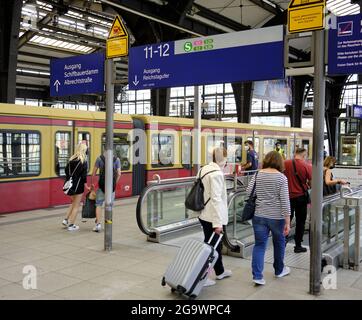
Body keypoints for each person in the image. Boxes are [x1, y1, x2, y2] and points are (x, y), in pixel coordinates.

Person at [247, 151, 291, 285]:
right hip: (277, 218)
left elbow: (249, 192)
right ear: (279, 162)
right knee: (279, 244)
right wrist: (288, 221)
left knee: (260, 245)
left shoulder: (258, 174)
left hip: (259, 215)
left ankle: (257, 276)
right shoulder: (281, 178)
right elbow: (285, 200)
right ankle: (279, 270)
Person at [199, 147, 232, 286]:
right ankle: (203, 277)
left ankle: (220, 272)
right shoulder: (217, 174)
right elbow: (216, 199)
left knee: (214, 245)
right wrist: (217, 223)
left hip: (203, 213)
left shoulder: (204, 169)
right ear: (223, 159)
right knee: (211, 247)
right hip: (213, 217)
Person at [284, 148, 312, 253]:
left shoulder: (284, 163)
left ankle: (283, 242)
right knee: (301, 222)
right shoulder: (307, 166)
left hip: (287, 197)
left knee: (287, 221)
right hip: (301, 197)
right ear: (304, 155)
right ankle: (298, 245)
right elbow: (311, 183)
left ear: (295, 154)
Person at [91, 151, 121, 232]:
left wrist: (92, 185)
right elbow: (119, 174)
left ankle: (98, 225)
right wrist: (114, 183)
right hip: (111, 187)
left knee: (98, 204)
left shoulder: (99, 158)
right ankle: (108, 222)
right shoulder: (116, 159)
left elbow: (93, 173)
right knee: (110, 205)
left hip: (101, 186)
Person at [62, 143, 89, 231]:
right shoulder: (83, 161)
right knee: (76, 205)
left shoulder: (71, 160)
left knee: (73, 203)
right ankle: (71, 225)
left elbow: (66, 172)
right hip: (79, 186)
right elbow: (84, 176)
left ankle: (66, 220)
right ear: (84, 150)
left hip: (70, 185)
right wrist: (86, 186)